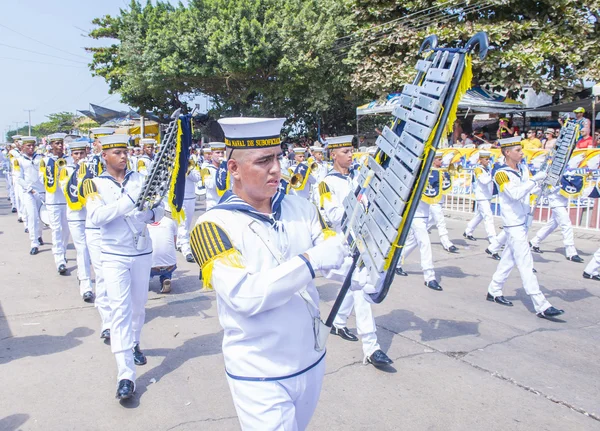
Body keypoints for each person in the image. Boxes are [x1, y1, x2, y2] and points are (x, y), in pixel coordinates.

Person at [189, 117, 363, 430]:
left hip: (310, 360)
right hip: (259, 373)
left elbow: (334, 259)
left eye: (278, 157)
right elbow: (243, 296)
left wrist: (362, 274)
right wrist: (310, 261)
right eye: (263, 160)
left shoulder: (300, 208)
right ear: (234, 169)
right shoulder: (210, 226)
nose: (276, 169)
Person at [85, 133, 164, 401]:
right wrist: (130, 202)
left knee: (138, 305)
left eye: (124, 151)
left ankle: (134, 342)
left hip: (141, 250)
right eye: (116, 152)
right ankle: (125, 374)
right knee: (119, 310)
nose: (122, 156)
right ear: (104, 156)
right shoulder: (93, 184)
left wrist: (149, 214)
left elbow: (160, 209)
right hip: (113, 254)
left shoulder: (141, 179)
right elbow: (97, 217)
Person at [320, 135, 393, 368]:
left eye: (351, 151)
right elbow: (333, 218)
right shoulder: (326, 184)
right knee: (360, 286)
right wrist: (355, 205)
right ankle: (371, 348)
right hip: (339, 246)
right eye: (345, 152)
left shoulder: (357, 178)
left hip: (360, 244)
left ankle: (339, 322)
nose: (351, 156)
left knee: (355, 284)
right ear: (333, 155)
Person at [486, 137, 564, 319]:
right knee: (526, 264)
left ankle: (494, 290)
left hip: (522, 223)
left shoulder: (521, 170)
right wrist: (534, 180)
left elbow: (529, 191)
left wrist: (546, 186)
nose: (522, 153)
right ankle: (541, 305)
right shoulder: (501, 174)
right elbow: (514, 194)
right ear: (507, 152)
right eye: (518, 150)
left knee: (508, 261)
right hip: (513, 225)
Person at [62, 138, 94, 302]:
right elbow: (67, 190)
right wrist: (81, 173)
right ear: (71, 155)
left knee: (93, 250)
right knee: (82, 249)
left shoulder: (91, 168)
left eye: (82, 152)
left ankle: (84, 276)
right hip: (75, 215)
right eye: (76, 153)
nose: (79, 156)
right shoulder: (65, 169)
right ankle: (86, 285)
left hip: (89, 215)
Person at [529, 172, 585, 263]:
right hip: (556, 203)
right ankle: (571, 253)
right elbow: (544, 188)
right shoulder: (551, 174)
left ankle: (534, 242)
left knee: (552, 225)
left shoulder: (564, 174)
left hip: (561, 203)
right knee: (566, 225)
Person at [43, 133, 70, 275]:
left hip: (66, 200)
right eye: (57, 144)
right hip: (53, 199)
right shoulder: (46, 160)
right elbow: (42, 178)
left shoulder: (69, 159)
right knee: (56, 229)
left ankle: (63, 252)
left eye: (61, 143)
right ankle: (59, 259)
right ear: (51, 145)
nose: (60, 146)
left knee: (66, 230)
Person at [16, 136, 45, 255]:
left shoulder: (41, 158)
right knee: (32, 216)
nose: (31, 148)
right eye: (28, 146)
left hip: (42, 191)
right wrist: (29, 189)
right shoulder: (19, 160)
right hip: (28, 192)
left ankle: (39, 235)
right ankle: (34, 242)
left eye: (33, 145)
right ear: (23, 147)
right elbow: (19, 178)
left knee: (42, 216)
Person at [427, 153, 458, 253]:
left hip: (439, 201)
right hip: (433, 201)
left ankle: (410, 236)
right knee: (441, 223)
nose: (441, 162)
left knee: (428, 223)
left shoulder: (443, 171)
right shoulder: (430, 172)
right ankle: (447, 244)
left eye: (441, 160)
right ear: (434, 161)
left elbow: (450, 178)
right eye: (439, 160)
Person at [463, 151, 496, 242]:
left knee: (480, 216)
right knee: (488, 217)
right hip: (482, 196)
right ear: (480, 160)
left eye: (489, 159)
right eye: (486, 159)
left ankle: (468, 231)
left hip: (487, 196)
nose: (488, 161)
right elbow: (484, 181)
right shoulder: (478, 169)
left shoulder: (487, 169)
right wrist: (493, 176)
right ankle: (493, 238)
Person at [176, 157, 202, 262]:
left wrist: (188, 169)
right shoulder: (173, 163)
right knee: (183, 224)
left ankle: (179, 243)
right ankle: (187, 251)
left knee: (187, 223)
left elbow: (197, 178)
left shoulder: (192, 164)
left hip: (190, 198)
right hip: (179, 197)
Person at [148, 216, 178, 293]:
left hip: (151, 267)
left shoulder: (142, 222)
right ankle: (165, 278)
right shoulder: (170, 221)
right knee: (168, 256)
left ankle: (144, 282)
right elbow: (174, 242)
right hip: (170, 266)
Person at [201, 142, 226, 211]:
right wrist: (221, 173)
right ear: (211, 154)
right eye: (217, 153)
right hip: (213, 205)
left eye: (222, 153)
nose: (220, 155)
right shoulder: (206, 169)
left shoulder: (225, 168)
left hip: (225, 204)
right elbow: (211, 186)